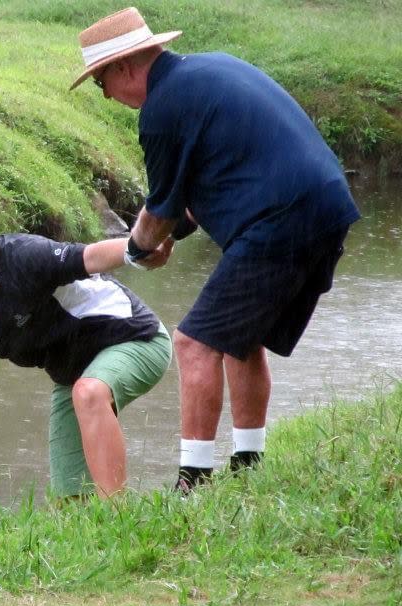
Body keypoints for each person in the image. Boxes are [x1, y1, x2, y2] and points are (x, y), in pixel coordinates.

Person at [70, 7, 361, 492]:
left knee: (194, 342)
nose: (106, 96)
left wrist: (137, 250)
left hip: (281, 215)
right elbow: (202, 195)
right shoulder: (212, 69)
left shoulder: (161, 110)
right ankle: (248, 466)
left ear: (123, 68)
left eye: (100, 83)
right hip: (325, 204)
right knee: (238, 338)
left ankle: (193, 483)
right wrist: (165, 234)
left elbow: (159, 212)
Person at [0, 203, 172, 499]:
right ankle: (93, 536)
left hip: (135, 339)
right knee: (70, 499)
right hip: (74, 376)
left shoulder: (22, 258)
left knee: (89, 393)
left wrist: (137, 250)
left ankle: (118, 515)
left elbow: (88, 256)